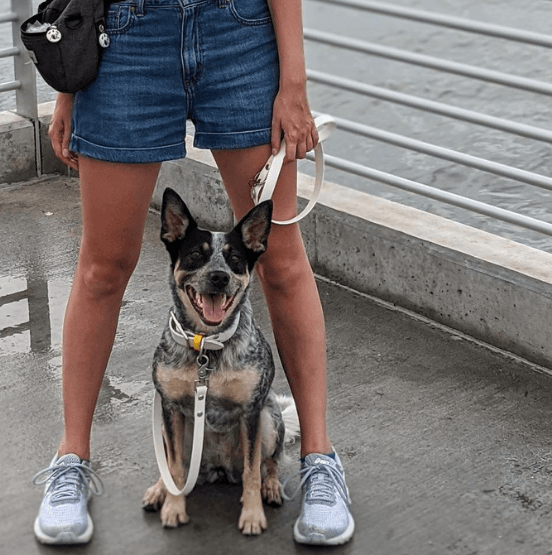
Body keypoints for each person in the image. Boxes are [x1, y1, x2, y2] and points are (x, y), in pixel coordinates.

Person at [31, 0, 354, 546]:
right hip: (127, 35)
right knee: (102, 269)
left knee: (280, 260)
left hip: (238, 28)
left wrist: (293, 83)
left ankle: (319, 461)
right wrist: (69, 84)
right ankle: (71, 462)